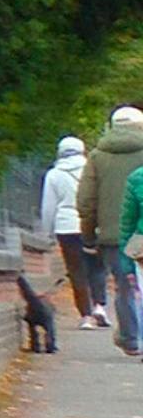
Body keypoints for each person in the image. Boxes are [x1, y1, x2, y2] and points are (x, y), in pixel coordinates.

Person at [94, 105, 143, 360]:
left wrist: (89, 233)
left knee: (126, 287)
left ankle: (132, 338)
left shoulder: (97, 155)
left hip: (120, 235)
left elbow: (86, 199)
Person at [51, 129, 101, 327]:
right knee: (97, 267)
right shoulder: (92, 170)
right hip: (92, 224)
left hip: (66, 227)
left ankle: (86, 316)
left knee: (76, 270)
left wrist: (49, 230)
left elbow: (49, 206)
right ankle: (100, 306)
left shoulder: (54, 174)